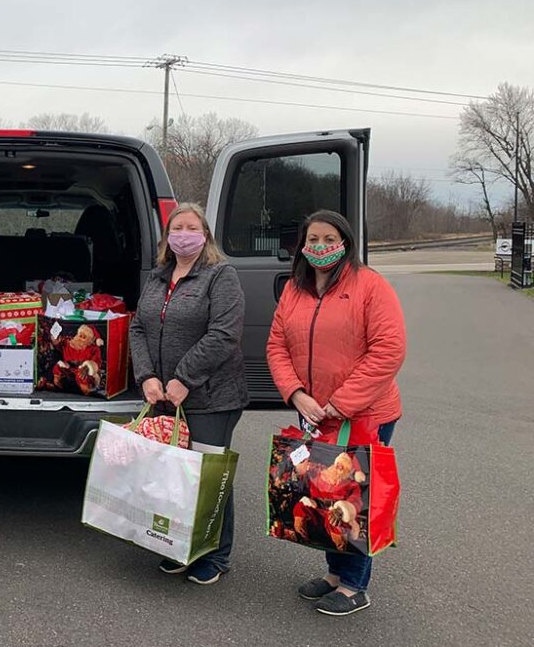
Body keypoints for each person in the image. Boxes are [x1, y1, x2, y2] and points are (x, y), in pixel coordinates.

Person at [266, 209, 406, 616]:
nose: (321, 247)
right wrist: (295, 393)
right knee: (322, 493)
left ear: (345, 243)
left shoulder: (370, 287)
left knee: (354, 496)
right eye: (313, 239)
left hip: (365, 413)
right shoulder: (296, 289)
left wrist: (341, 403)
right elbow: (276, 346)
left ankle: (355, 584)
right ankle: (333, 572)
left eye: (330, 239)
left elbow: (388, 350)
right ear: (303, 245)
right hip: (314, 413)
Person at [129, 202, 249, 585]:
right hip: (163, 396)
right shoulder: (158, 275)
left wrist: (183, 378)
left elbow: (224, 334)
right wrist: (147, 375)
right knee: (174, 476)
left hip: (212, 397)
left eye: (191, 227)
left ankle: (215, 555)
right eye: (176, 227)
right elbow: (138, 328)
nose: (183, 233)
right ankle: (181, 546)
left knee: (209, 477)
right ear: (167, 237)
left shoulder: (220, 275)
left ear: (205, 234)